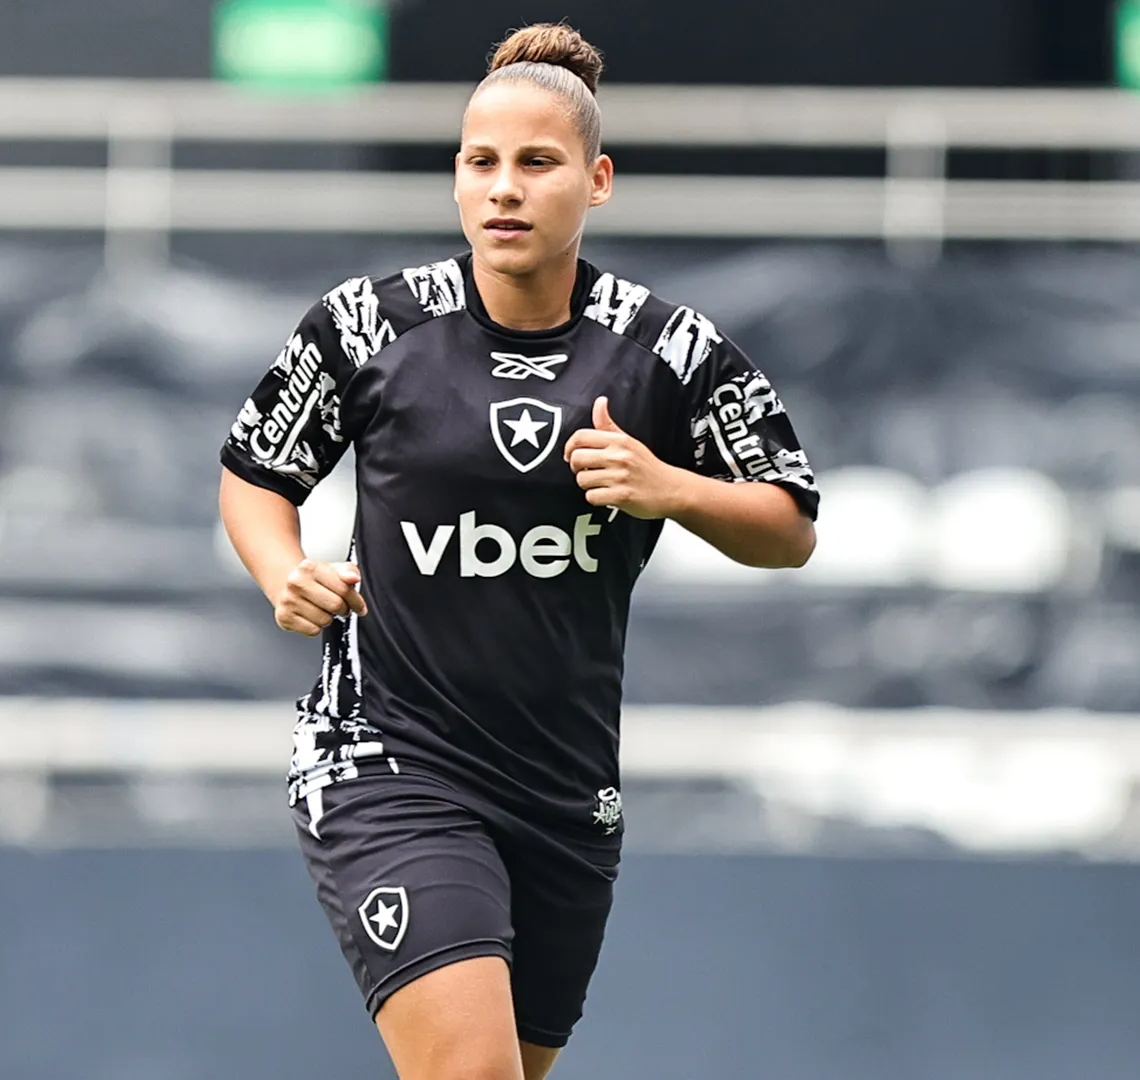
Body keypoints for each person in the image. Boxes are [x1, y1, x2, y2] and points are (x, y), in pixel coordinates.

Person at [217, 22, 819, 1080]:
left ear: (597, 181)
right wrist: (284, 572)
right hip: (390, 762)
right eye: (479, 162)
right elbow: (257, 475)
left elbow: (791, 524)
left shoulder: (667, 350)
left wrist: (668, 487)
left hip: (563, 790)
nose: (503, 188)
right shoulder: (368, 328)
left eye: (536, 163)